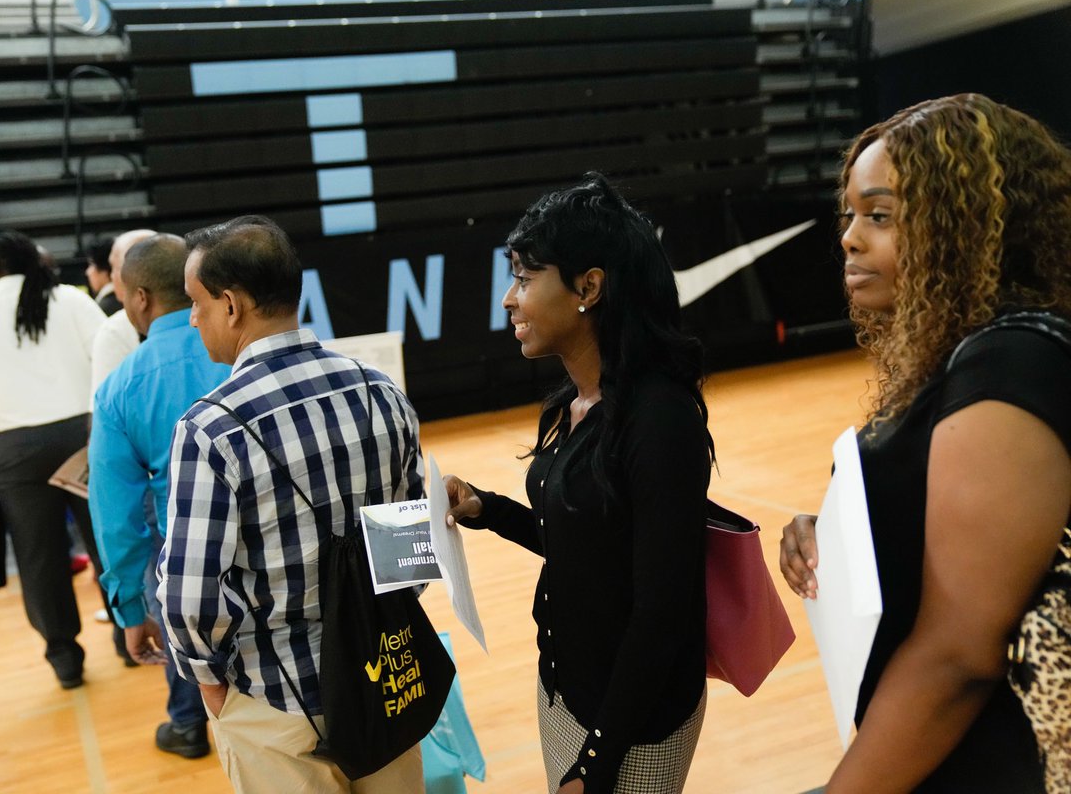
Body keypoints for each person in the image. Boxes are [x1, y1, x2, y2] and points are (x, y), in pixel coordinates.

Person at [779, 93, 1071, 793]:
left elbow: (958, 657)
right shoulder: (960, 356)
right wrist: (841, 533)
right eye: (850, 213)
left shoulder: (1010, 362)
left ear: (963, 227)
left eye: (879, 215)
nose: (849, 236)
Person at [443, 172, 714, 794]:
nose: (509, 300)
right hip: (570, 690)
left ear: (588, 287)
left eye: (524, 279)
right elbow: (587, 543)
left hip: (631, 726)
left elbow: (661, 613)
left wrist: (596, 765)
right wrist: (488, 509)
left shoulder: (658, 419)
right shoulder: (578, 401)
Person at [158, 215, 426, 793]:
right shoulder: (382, 392)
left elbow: (189, 596)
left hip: (275, 703)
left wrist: (209, 687)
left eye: (196, 302)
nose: (192, 317)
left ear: (231, 305)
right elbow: (411, 550)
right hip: (384, 679)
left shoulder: (211, 429)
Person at [0, 230, 107, 689]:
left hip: (17, 453)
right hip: (84, 436)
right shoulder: (73, 302)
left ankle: (65, 658)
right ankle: (131, 634)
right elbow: (109, 361)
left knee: (40, 558)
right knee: (107, 541)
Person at [88, 234, 230, 758]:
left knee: (179, 611)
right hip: (281, 551)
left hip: (189, 561)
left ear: (141, 297)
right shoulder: (243, 349)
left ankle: (189, 723)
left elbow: (116, 521)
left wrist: (130, 611)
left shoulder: (119, 389)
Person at [90, 229, 155, 402]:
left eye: (114, 268)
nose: (112, 276)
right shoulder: (203, 317)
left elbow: (105, 408)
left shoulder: (114, 330)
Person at [84, 236, 122, 315]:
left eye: (91, 265)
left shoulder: (103, 308)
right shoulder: (124, 300)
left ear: (105, 270)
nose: (88, 272)